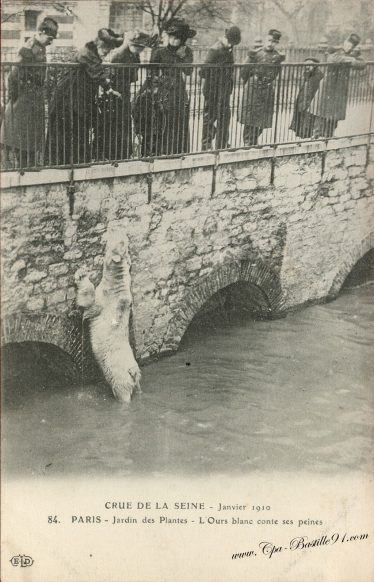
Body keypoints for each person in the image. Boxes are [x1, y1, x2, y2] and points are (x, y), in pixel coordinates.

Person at [46, 28, 123, 166]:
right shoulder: (86, 53)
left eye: (110, 49)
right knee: (66, 131)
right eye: (106, 47)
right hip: (67, 99)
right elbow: (97, 73)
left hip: (77, 99)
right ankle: (62, 164)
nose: (107, 51)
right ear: (98, 43)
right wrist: (109, 89)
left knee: (78, 130)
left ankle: (76, 163)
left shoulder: (92, 53)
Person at [1, 17, 58, 168]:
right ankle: (22, 166)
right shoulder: (28, 47)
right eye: (50, 38)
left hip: (35, 96)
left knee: (32, 134)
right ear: (41, 32)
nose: (51, 42)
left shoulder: (40, 46)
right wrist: (14, 98)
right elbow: (13, 74)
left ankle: (30, 165)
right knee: (21, 135)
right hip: (25, 97)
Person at [97, 31, 152, 161]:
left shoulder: (134, 56)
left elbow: (134, 77)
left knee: (124, 123)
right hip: (114, 93)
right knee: (112, 124)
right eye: (139, 48)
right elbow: (108, 74)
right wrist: (110, 90)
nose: (140, 51)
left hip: (124, 91)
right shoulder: (119, 55)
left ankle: (122, 154)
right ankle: (109, 154)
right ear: (133, 45)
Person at [148, 18, 196, 155]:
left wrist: (182, 57)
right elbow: (151, 73)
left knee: (179, 120)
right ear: (168, 37)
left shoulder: (186, 51)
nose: (174, 41)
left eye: (178, 38)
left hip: (178, 90)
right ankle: (162, 151)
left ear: (182, 40)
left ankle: (178, 151)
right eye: (172, 37)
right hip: (163, 88)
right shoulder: (159, 52)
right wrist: (157, 86)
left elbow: (188, 71)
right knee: (164, 120)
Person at [308, 33, 366, 138]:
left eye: (351, 46)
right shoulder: (335, 50)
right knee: (321, 112)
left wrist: (351, 60)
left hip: (340, 88)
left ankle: (329, 136)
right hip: (328, 86)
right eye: (348, 44)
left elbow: (362, 64)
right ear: (345, 41)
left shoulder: (352, 54)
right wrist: (351, 60)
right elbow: (333, 59)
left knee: (335, 114)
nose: (349, 47)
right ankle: (315, 136)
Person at [239, 29, 285, 146]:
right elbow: (244, 70)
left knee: (263, 119)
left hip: (267, 89)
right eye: (269, 40)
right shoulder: (256, 53)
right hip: (253, 88)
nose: (270, 43)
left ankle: (253, 140)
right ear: (265, 39)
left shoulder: (277, 56)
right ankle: (248, 142)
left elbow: (276, 72)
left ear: (276, 43)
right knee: (250, 118)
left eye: (274, 42)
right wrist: (250, 81)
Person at [200, 26, 241, 151]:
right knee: (210, 118)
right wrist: (216, 74)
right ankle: (206, 145)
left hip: (224, 91)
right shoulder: (215, 49)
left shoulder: (229, 49)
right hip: (213, 90)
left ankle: (222, 145)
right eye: (230, 42)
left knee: (224, 118)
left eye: (233, 43)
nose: (231, 45)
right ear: (226, 38)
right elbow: (202, 71)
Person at [290, 58, 324, 139]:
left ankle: (306, 136)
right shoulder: (307, 73)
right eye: (306, 65)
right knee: (301, 117)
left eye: (310, 65)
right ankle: (302, 136)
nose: (307, 67)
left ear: (315, 65)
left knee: (308, 119)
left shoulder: (318, 75)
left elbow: (312, 88)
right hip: (303, 98)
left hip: (311, 99)